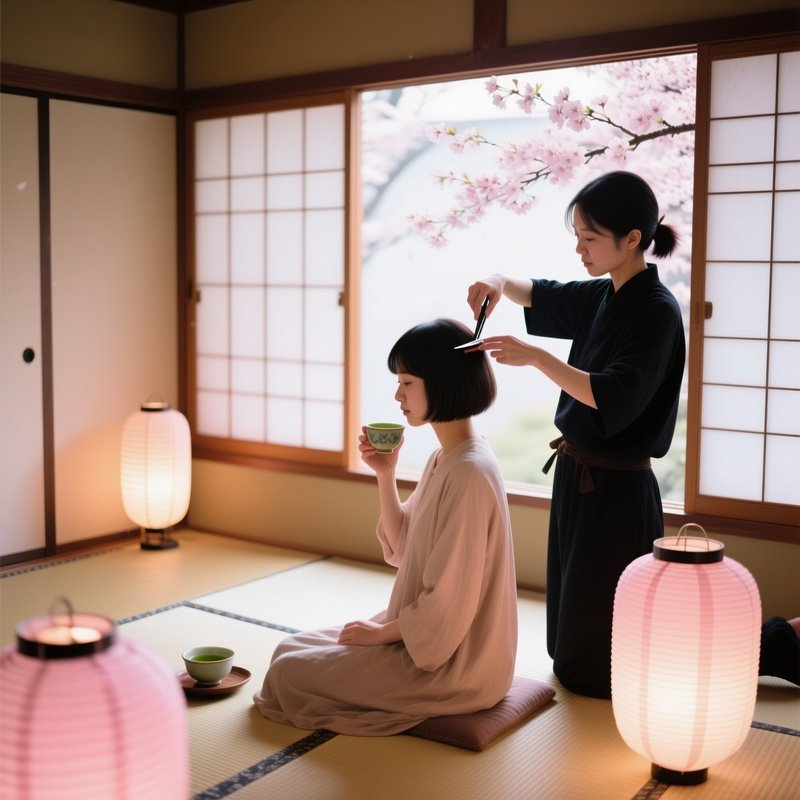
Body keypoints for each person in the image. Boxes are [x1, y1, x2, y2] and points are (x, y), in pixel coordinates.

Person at [465, 170, 685, 699]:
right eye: (577, 236)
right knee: (570, 624)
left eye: (589, 238)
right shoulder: (603, 294)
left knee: (603, 644)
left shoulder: (656, 311)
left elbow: (611, 393)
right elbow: (536, 293)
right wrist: (496, 280)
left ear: (632, 239)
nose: (579, 249)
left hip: (617, 488)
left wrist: (536, 357)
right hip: (576, 471)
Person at [253, 318, 518, 734]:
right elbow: (403, 547)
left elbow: (447, 606)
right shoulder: (445, 458)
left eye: (407, 382)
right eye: (399, 382)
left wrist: (379, 636)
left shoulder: (469, 471)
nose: (398, 395)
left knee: (288, 675)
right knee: (287, 649)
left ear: (443, 382)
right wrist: (385, 473)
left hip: (454, 664)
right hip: (420, 636)